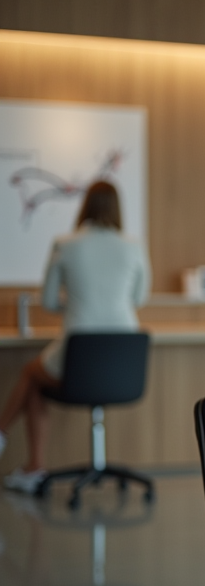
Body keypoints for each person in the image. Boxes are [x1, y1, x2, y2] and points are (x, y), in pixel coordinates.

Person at [0, 181, 150, 493]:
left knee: (31, 374)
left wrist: (80, 301)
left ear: (85, 206)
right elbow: (138, 299)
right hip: (125, 360)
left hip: (79, 353)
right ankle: (31, 466)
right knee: (36, 385)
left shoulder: (65, 244)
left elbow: (50, 301)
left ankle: (15, 447)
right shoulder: (133, 245)